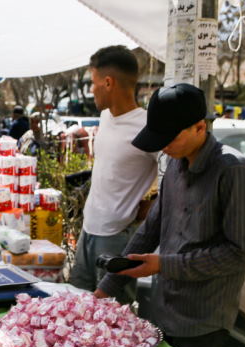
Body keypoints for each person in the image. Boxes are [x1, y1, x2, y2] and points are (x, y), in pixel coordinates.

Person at [95, 83, 245, 347]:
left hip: (203, 321)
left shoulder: (235, 171)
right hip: (163, 310)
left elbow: (242, 253)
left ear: (199, 127)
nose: (163, 147)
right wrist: (108, 287)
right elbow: (150, 229)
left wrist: (164, 265)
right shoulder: (174, 165)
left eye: (169, 138)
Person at [69, 45, 159, 303]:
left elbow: (174, 177)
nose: (91, 90)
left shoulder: (146, 126)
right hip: (88, 229)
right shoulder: (105, 116)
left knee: (111, 319)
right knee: (76, 308)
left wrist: (149, 209)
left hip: (117, 239)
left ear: (108, 82)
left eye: (93, 83)